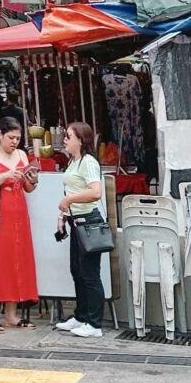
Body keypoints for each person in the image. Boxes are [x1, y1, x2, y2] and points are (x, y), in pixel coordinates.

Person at [0, 112, 38, 331]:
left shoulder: (21, 155)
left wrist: (32, 180)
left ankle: (12, 313)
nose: (14, 142)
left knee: (17, 260)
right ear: (0, 134)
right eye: (10, 137)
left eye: (17, 138)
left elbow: (29, 188)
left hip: (19, 212)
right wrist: (5, 176)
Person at [55, 121, 107, 339]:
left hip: (89, 221)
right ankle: (81, 315)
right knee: (77, 270)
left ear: (80, 140)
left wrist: (69, 199)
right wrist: (63, 215)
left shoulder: (88, 162)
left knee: (90, 274)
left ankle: (94, 323)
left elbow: (96, 192)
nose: (65, 139)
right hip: (75, 221)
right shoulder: (73, 162)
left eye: (68, 136)